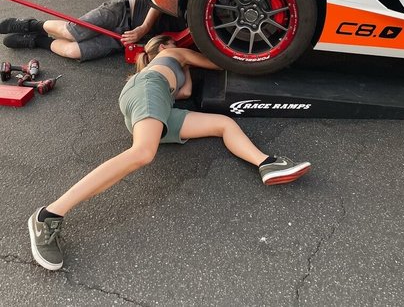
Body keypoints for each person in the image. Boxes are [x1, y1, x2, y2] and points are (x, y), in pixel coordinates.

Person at [27, 35, 312, 271]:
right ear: (163, 46)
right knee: (142, 153)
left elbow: (185, 93)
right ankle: (49, 214)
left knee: (223, 124)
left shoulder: (173, 65)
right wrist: (265, 61)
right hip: (149, 92)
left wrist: (185, 66)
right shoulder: (170, 54)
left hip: (162, 105)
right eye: (177, 44)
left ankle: (267, 163)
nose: (182, 48)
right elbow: (217, 62)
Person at [0, 0, 186, 61]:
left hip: (127, 38)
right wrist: (144, 28)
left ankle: (35, 40)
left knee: (73, 52)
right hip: (123, 12)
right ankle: (30, 25)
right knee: (72, 33)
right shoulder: (198, 2)